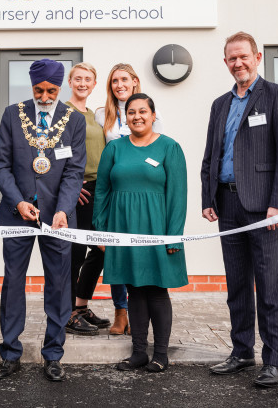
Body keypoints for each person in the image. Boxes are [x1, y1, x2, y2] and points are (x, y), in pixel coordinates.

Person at [200, 31, 278, 387]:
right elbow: (211, 154)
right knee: (237, 284)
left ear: (257, 57)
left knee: (269, 285)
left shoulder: (277, 97)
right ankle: (242, 352)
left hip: (264, 208)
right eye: (232, 58)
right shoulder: (219, 104)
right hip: (227, 204)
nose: (238, 63)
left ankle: (274, 358)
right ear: (225, 62)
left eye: (243, 56)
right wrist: (207, 198)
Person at [0, 58, 86, 382]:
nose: (45, 96)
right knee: (13, 283)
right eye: (39, 89)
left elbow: (74, 171)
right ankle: (10, 353)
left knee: (59, 286)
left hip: (58, 217)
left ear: (60, 88)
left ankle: (54, 355)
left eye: (52, 90)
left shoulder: (74, 119)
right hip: (16, 214)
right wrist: (17, 202)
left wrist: (63, 210)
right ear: (31, 86)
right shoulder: (11, 114)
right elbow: (1, 166)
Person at [93, 93, 188, 373]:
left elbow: (178, 195)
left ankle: (160, 354)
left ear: (153, 115)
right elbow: (102, 191)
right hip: (122, 227)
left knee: (157, 290)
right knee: (133, 289)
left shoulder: (170, 147)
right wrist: (101, 231)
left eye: (143, 111)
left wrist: (173, 235)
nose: (137, 116)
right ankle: (138, 353)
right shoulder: (114, 149)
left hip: (157, 227)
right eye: (132, 112)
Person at [94, 63, 165, 335]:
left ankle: (140, 311)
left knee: (138, 249)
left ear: (135, 81)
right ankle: (120, 312)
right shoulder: (103, 115)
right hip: (115, 189)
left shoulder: (149, 112)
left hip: (142, 194)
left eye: (124, 79)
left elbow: (160, 147)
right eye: (114, 81)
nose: (119, 85)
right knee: (116, 251)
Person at [64, 63, 110, 336]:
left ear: (94, 85)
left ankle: (81, 305)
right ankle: (68, 312)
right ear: (70, 82)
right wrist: (68, 184)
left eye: (88, 80)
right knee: (75, 252)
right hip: (78, 189)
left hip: (99, 188)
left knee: (101, 248)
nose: (82, 83)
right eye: (78, 78)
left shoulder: (94, 115)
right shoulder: (64, 113)